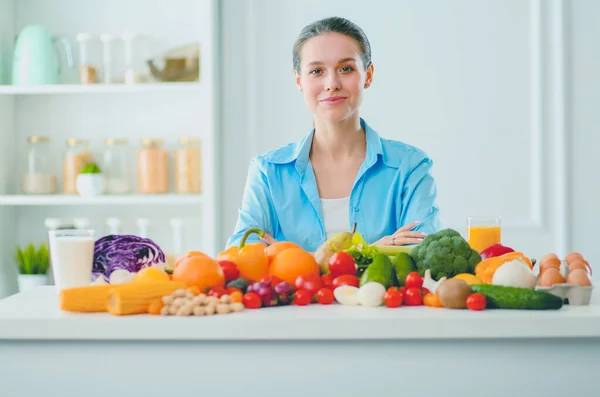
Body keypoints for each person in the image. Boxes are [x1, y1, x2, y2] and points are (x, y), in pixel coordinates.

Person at [226, 16, 442, 252]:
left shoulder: (410, 167)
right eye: (317, 71)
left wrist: (290, 256)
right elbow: (242, 254)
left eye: (346, 69)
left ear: (368, 75)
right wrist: (378, 248)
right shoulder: (267, 172)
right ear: (299, 80)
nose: (332, 83)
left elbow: (421, 253)